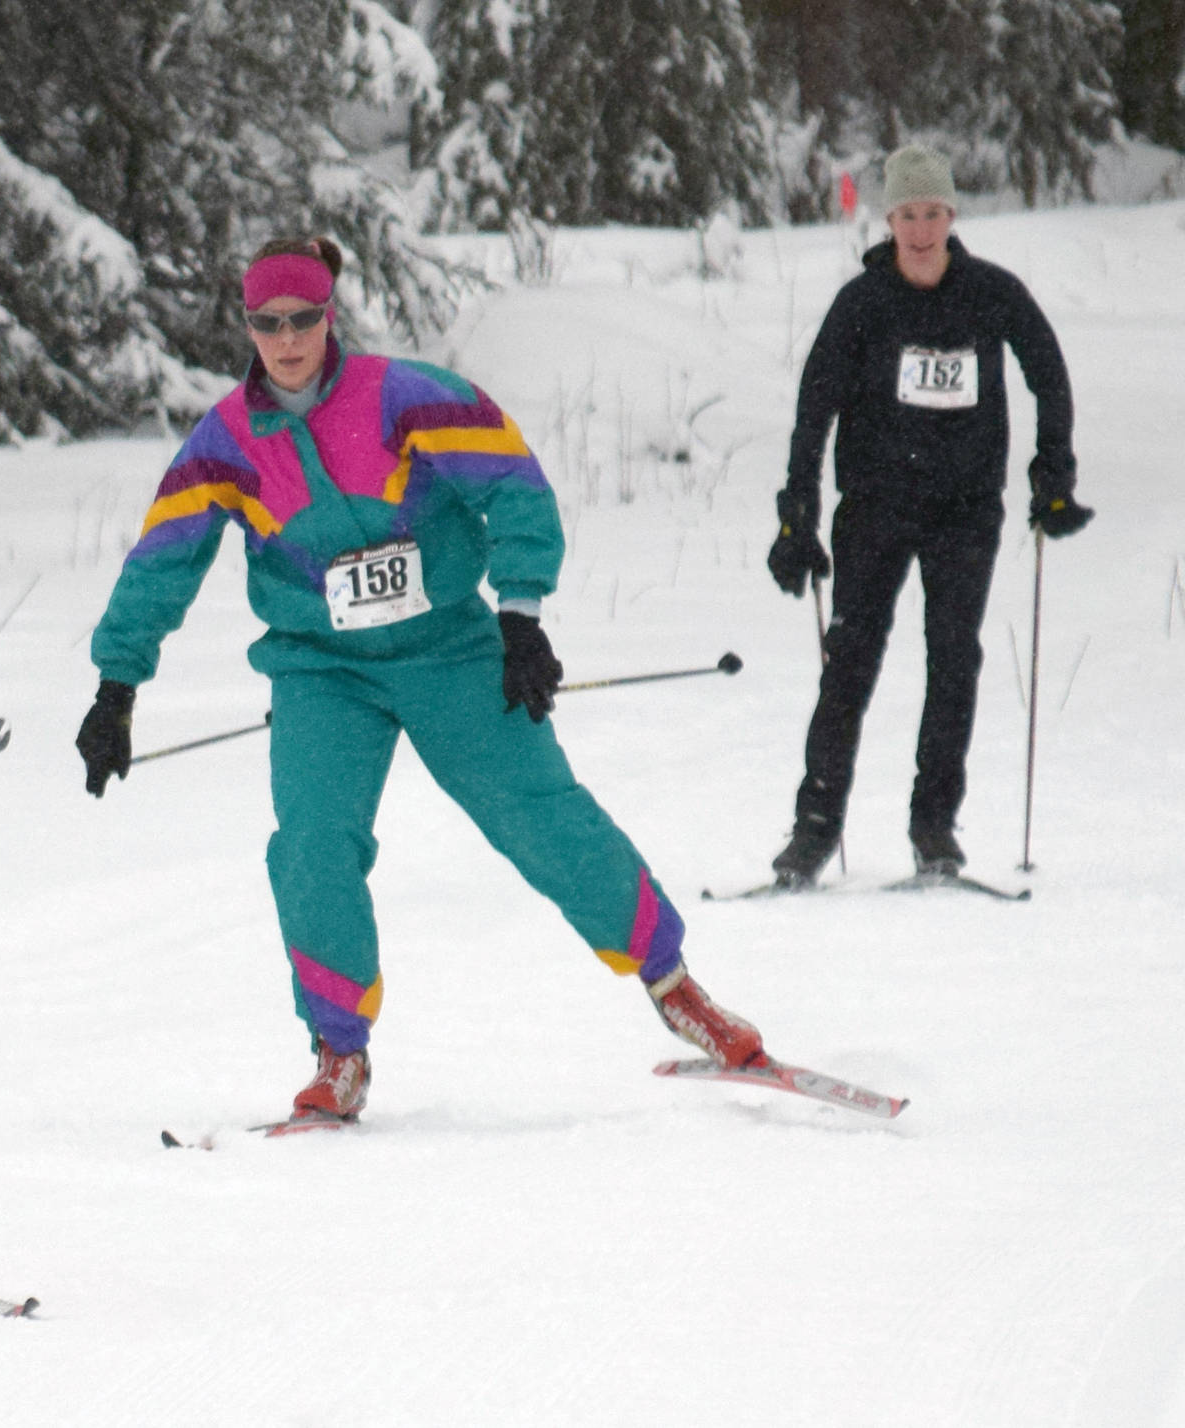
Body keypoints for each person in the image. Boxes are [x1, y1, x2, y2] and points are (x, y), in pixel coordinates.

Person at [74, 237, 765, 1124]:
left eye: (303, 319)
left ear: (331, 316)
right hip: (323, 671)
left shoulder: (405, 396)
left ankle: (677, 991)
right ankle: (339, 1054)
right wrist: (115, 688)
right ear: (246, 326)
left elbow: (514, 485)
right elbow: (163, 560)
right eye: (266, 323)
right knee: (313, 844)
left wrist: (520, 618)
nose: (286, 339)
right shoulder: (228, 441)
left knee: (540, 813)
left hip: (449, 650)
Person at [767, 144, 1094, 886]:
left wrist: (1053, 477)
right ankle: (814, 830)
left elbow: (1049, 375)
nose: (921, 229)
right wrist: (798, 519)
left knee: (954, 660)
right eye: (908, 214)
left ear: (952, 215)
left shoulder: (990, 292)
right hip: (876, 511)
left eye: (934, 213)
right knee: (850, 662)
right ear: (889, 219)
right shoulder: (864, 303)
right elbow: (812, 411)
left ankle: (934, 827)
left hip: (964, 513)